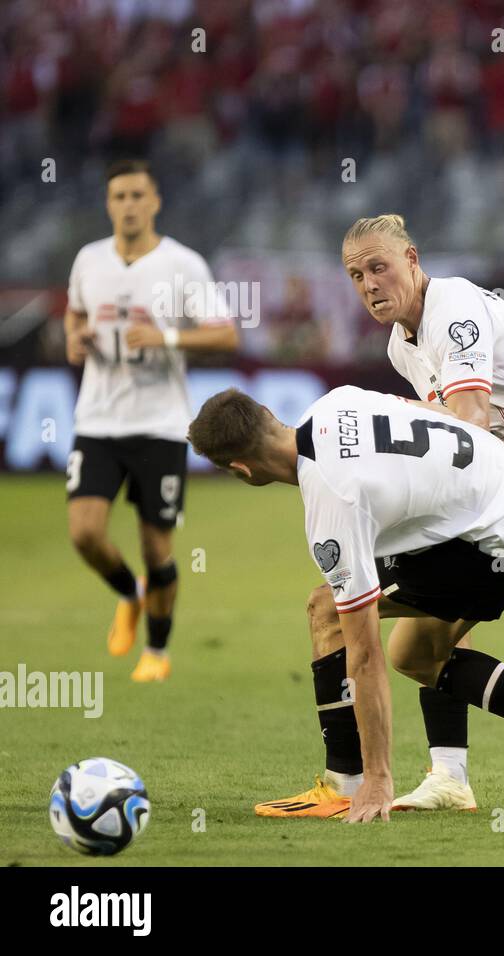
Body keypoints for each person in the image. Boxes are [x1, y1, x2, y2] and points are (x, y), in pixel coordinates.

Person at [187, 385, 504, 822]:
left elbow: (362, 652)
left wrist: (379, 777)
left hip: (503, 543)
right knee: (414, 655)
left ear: (241, 469)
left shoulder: (332, 496)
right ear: (267, 411)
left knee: (328, 612)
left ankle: (346, 783)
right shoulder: (336, 400)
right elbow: (432, 411)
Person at [65, 159, 239, 682]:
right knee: (84, 534)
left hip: (160, 423)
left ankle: (157, 652)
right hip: (97, 419)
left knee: (156, 547)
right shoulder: (89, 260)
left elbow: (225, 334)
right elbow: (75, 312)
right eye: (119, 196)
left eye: (138, 195)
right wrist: (76, 336)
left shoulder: (182, 264)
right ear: (108, 204)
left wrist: (164, 337)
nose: (129, 205)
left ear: (156, 201)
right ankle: (128, 592)